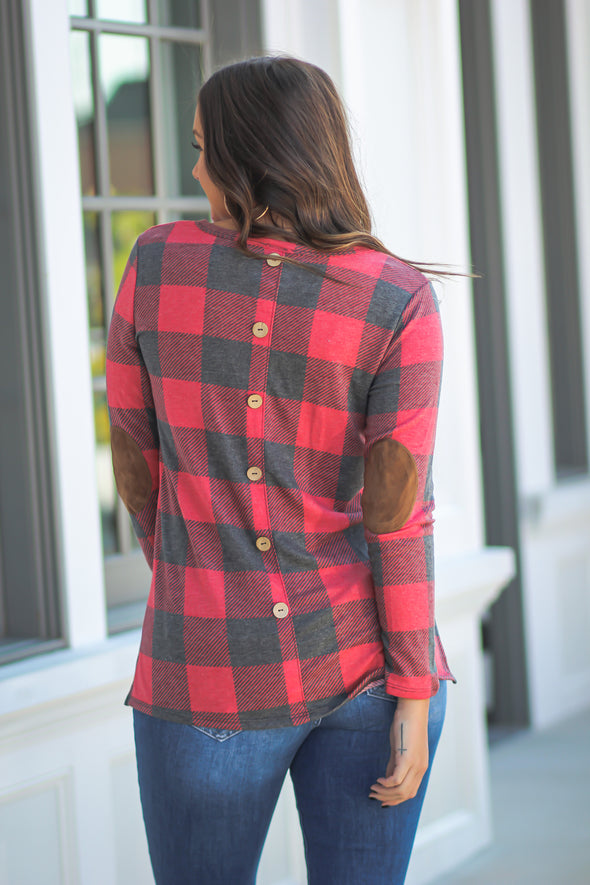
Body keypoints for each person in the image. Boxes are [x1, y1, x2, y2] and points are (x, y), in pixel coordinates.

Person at [106, 55, 454, 885]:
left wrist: (195, 571)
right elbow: (399, 511)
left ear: (245, 154)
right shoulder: (397, 298)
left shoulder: (155, 267)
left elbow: (135, 464)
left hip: (207, 666)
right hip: (371, 664)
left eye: (202, 148)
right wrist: (410, 687)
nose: (194, 170)